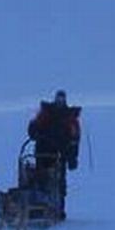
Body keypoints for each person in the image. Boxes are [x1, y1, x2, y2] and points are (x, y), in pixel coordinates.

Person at [27, 90, 82, 220]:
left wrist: (73, 158)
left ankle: (59, 209)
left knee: (59, 181)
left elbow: (74, 139)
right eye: (58, 99)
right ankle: (36, 207)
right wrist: (34, 131)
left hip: (61, 153)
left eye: (62, 99)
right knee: (39, 178)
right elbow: (34, 127)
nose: (60, 102)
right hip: (43, 151)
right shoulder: (46, 112)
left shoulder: (70, 117)